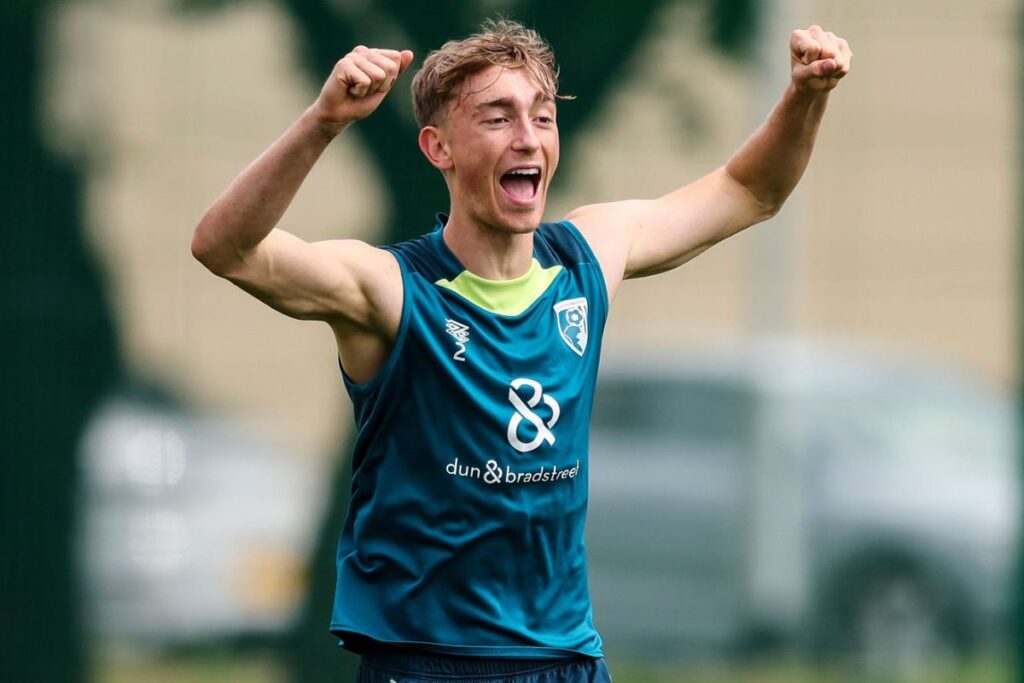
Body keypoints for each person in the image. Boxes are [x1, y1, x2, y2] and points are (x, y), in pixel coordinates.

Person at [192, 18, 851, 683]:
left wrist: (806, 95)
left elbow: (750, 190)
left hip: (565, 660)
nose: (528, 137)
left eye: (541, 116)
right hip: (431, 665)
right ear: (438, 147)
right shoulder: (392, 291)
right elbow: (226, 248)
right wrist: (323, 123)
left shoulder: (587, 257)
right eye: (498, 118)